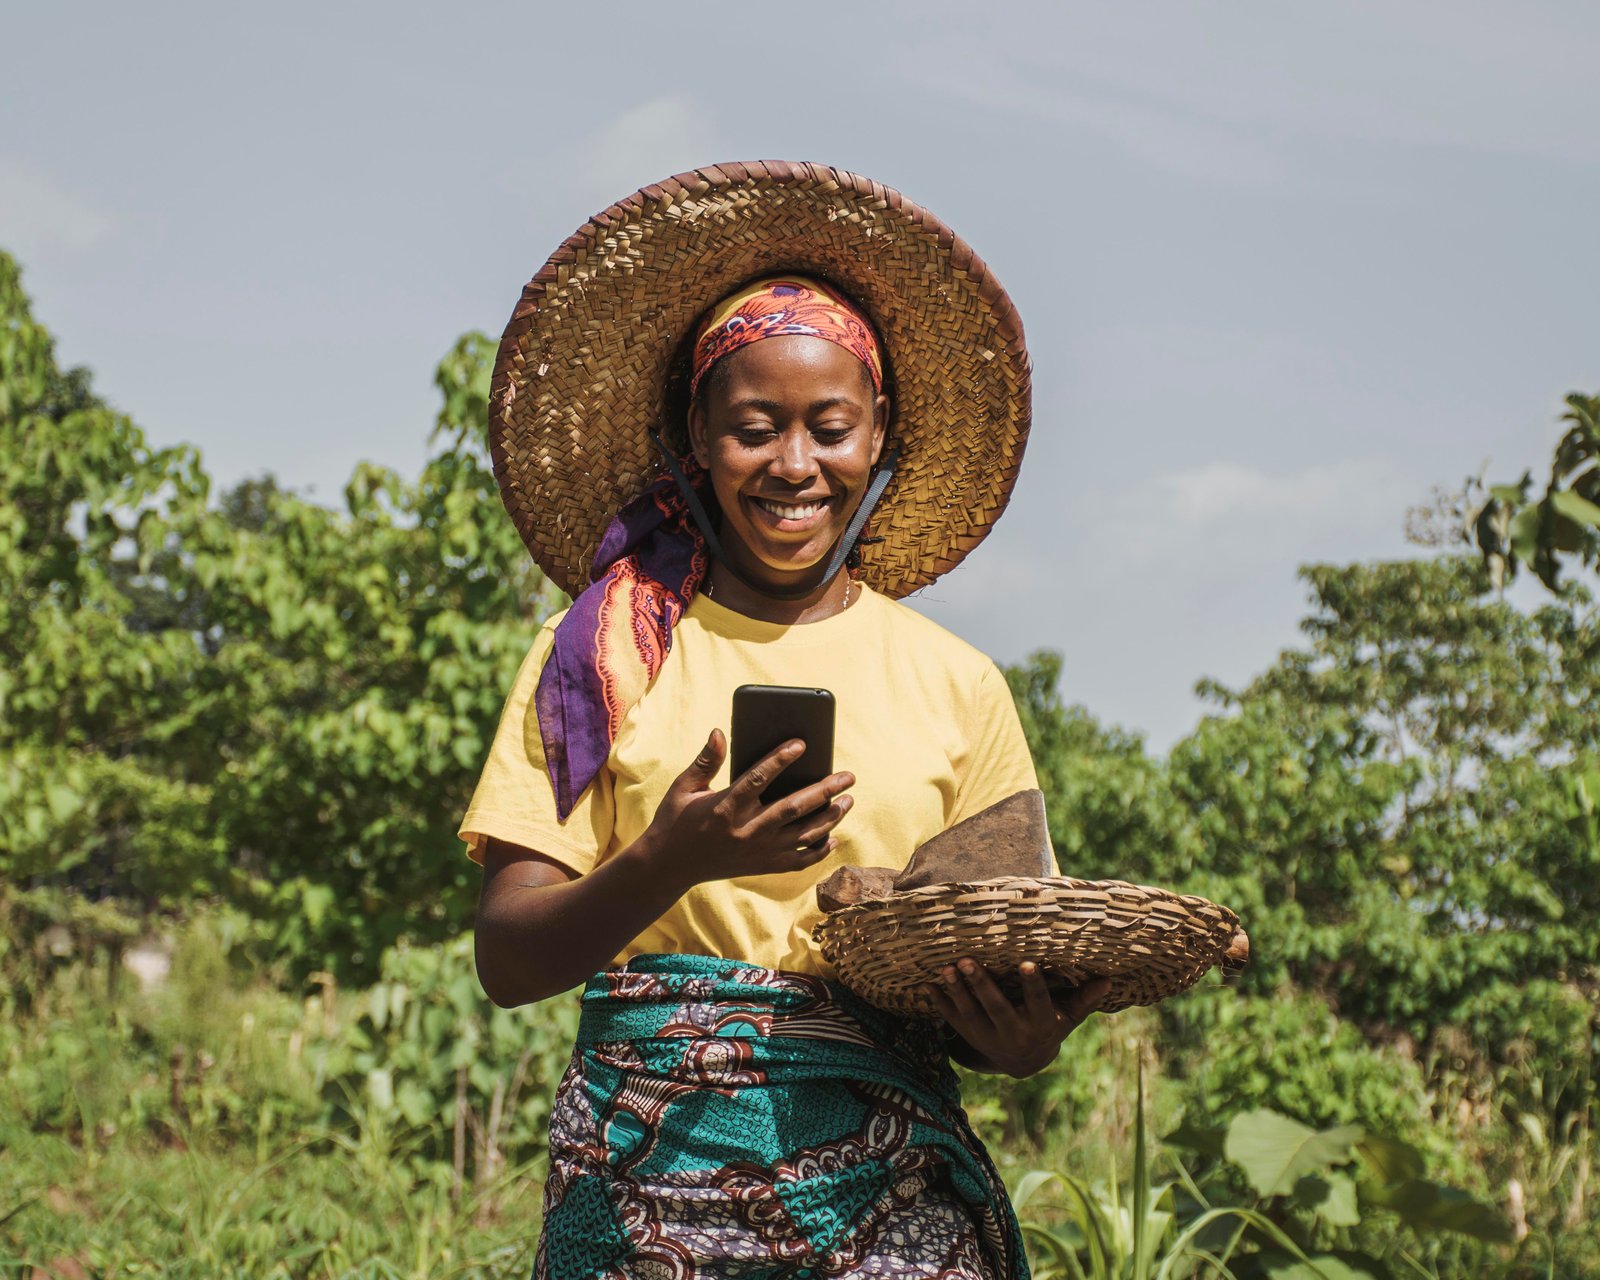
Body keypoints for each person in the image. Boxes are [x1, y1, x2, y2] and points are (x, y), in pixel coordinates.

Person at [460, 163, 1108, 1280]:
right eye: (755, 427)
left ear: (880, 434)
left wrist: (1020, 1038)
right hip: (641, 1182)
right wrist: (670, 856)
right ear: (695, 437)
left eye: (830, 427)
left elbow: (988, 967)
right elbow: (508, 956)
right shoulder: (603, 655)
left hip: (891, 1186)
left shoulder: (958, 685)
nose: (795, 465)